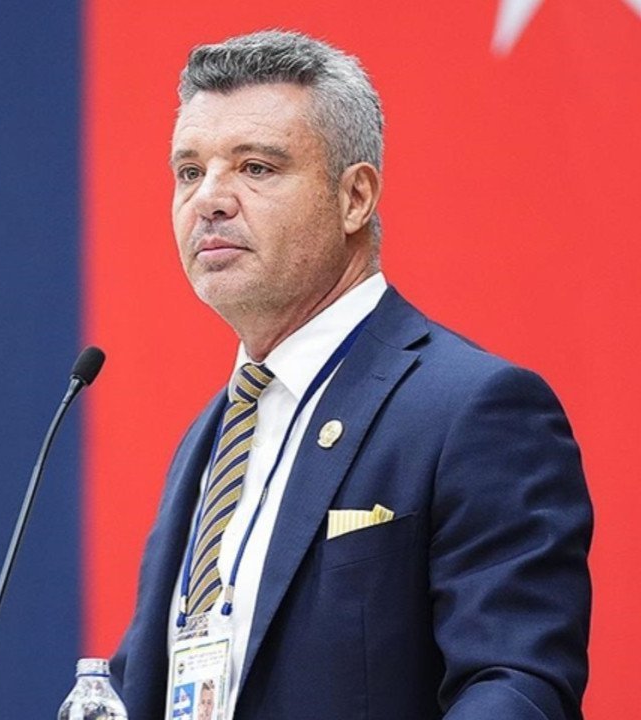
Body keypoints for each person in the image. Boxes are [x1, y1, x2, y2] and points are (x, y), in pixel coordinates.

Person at [109, 30, 592, 720]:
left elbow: (516, 685)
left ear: (355, 197)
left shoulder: (472, 409)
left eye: (255, 167)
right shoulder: (209, 437)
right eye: (189, 172)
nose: (209, 198)